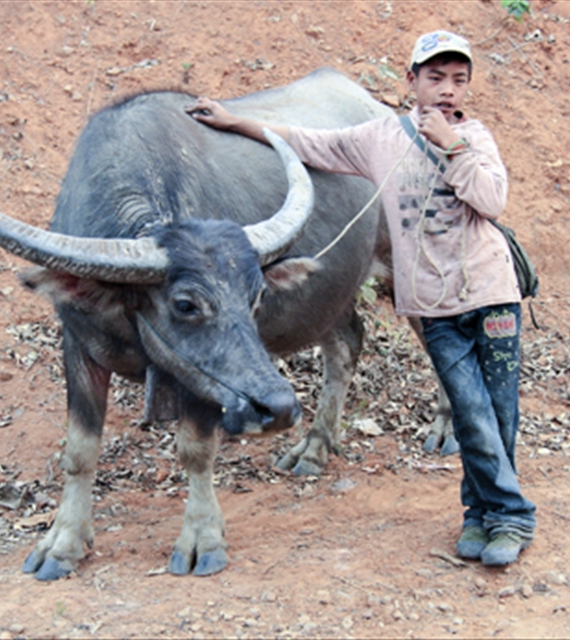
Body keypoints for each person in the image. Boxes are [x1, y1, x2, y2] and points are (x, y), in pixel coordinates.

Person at [186, 30, 536, 566]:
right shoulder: (380, 139)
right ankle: (479, 514)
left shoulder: (476, 138)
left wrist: (453, 145)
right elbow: (307, 142)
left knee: (498, 411)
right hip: (434, 308)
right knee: (469, 412)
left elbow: (491, 199)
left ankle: (507, 518)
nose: (446, 90)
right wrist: (236, 122)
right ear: (412, 81)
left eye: (458, 81)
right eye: (435, 78)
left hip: (490, 298)